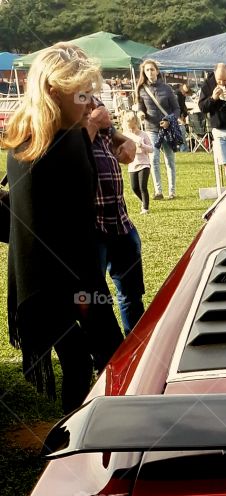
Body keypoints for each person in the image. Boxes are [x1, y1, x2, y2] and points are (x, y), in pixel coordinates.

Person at [1, 43, 123, 408]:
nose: (89, 103)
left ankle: (75, 431)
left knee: (80, 358)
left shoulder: (31, 138)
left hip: (49, 277)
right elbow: (46, 223)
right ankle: (82, 434)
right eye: (82, 93)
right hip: (61, 277)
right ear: (53, 90)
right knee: (103, 355)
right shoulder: (54, 144)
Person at [86, 99, 144, 337]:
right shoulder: (60, 106)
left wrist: (128, 143)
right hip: (90, 228)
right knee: (93, 301)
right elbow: (68, 151)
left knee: (131, 294)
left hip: (120, 221)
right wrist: (92, 123)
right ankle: (106, 359)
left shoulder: (91, 99)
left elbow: (115, 135)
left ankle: (134, 352)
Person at [136, 58, 179, 199]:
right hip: (151, 128)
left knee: (169, 159)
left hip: (167, 128)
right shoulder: (141, 89)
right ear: (144, 72)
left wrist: (169, 120)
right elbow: (140, 107)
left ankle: (172, 191)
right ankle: (158, 191)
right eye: (147, 70)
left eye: (152, 69)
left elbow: (176, 109)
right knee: (154, 158)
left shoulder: (166, 88)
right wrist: (141, 113)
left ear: (157, 71)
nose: (150, 72)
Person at [121, 110, 153, 213]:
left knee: (142, 186)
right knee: (134, 187)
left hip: (144, 163)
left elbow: (151, 149)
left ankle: (145, 208)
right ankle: (143, 202)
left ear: (136, 122)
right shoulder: (125, 135)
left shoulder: (143, 134)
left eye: (133, 123)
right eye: (129, 123)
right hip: (132, 163)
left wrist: (142, 145)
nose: (131, 127)